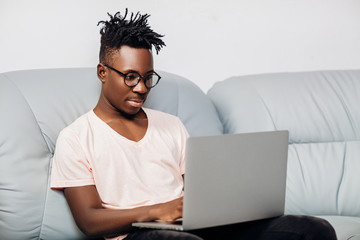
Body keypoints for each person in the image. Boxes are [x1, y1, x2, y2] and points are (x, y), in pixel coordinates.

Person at [50, 9, 337, 240]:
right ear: (103, 72)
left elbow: (201, 196)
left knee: (312, 230)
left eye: (148, 77)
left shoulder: (172, 125)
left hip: (194, 228)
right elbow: (89, 220)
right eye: (130, 76)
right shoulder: (76, 137)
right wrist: (159, 211)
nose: (141, 88)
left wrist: (232, 206)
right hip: (137, 233)